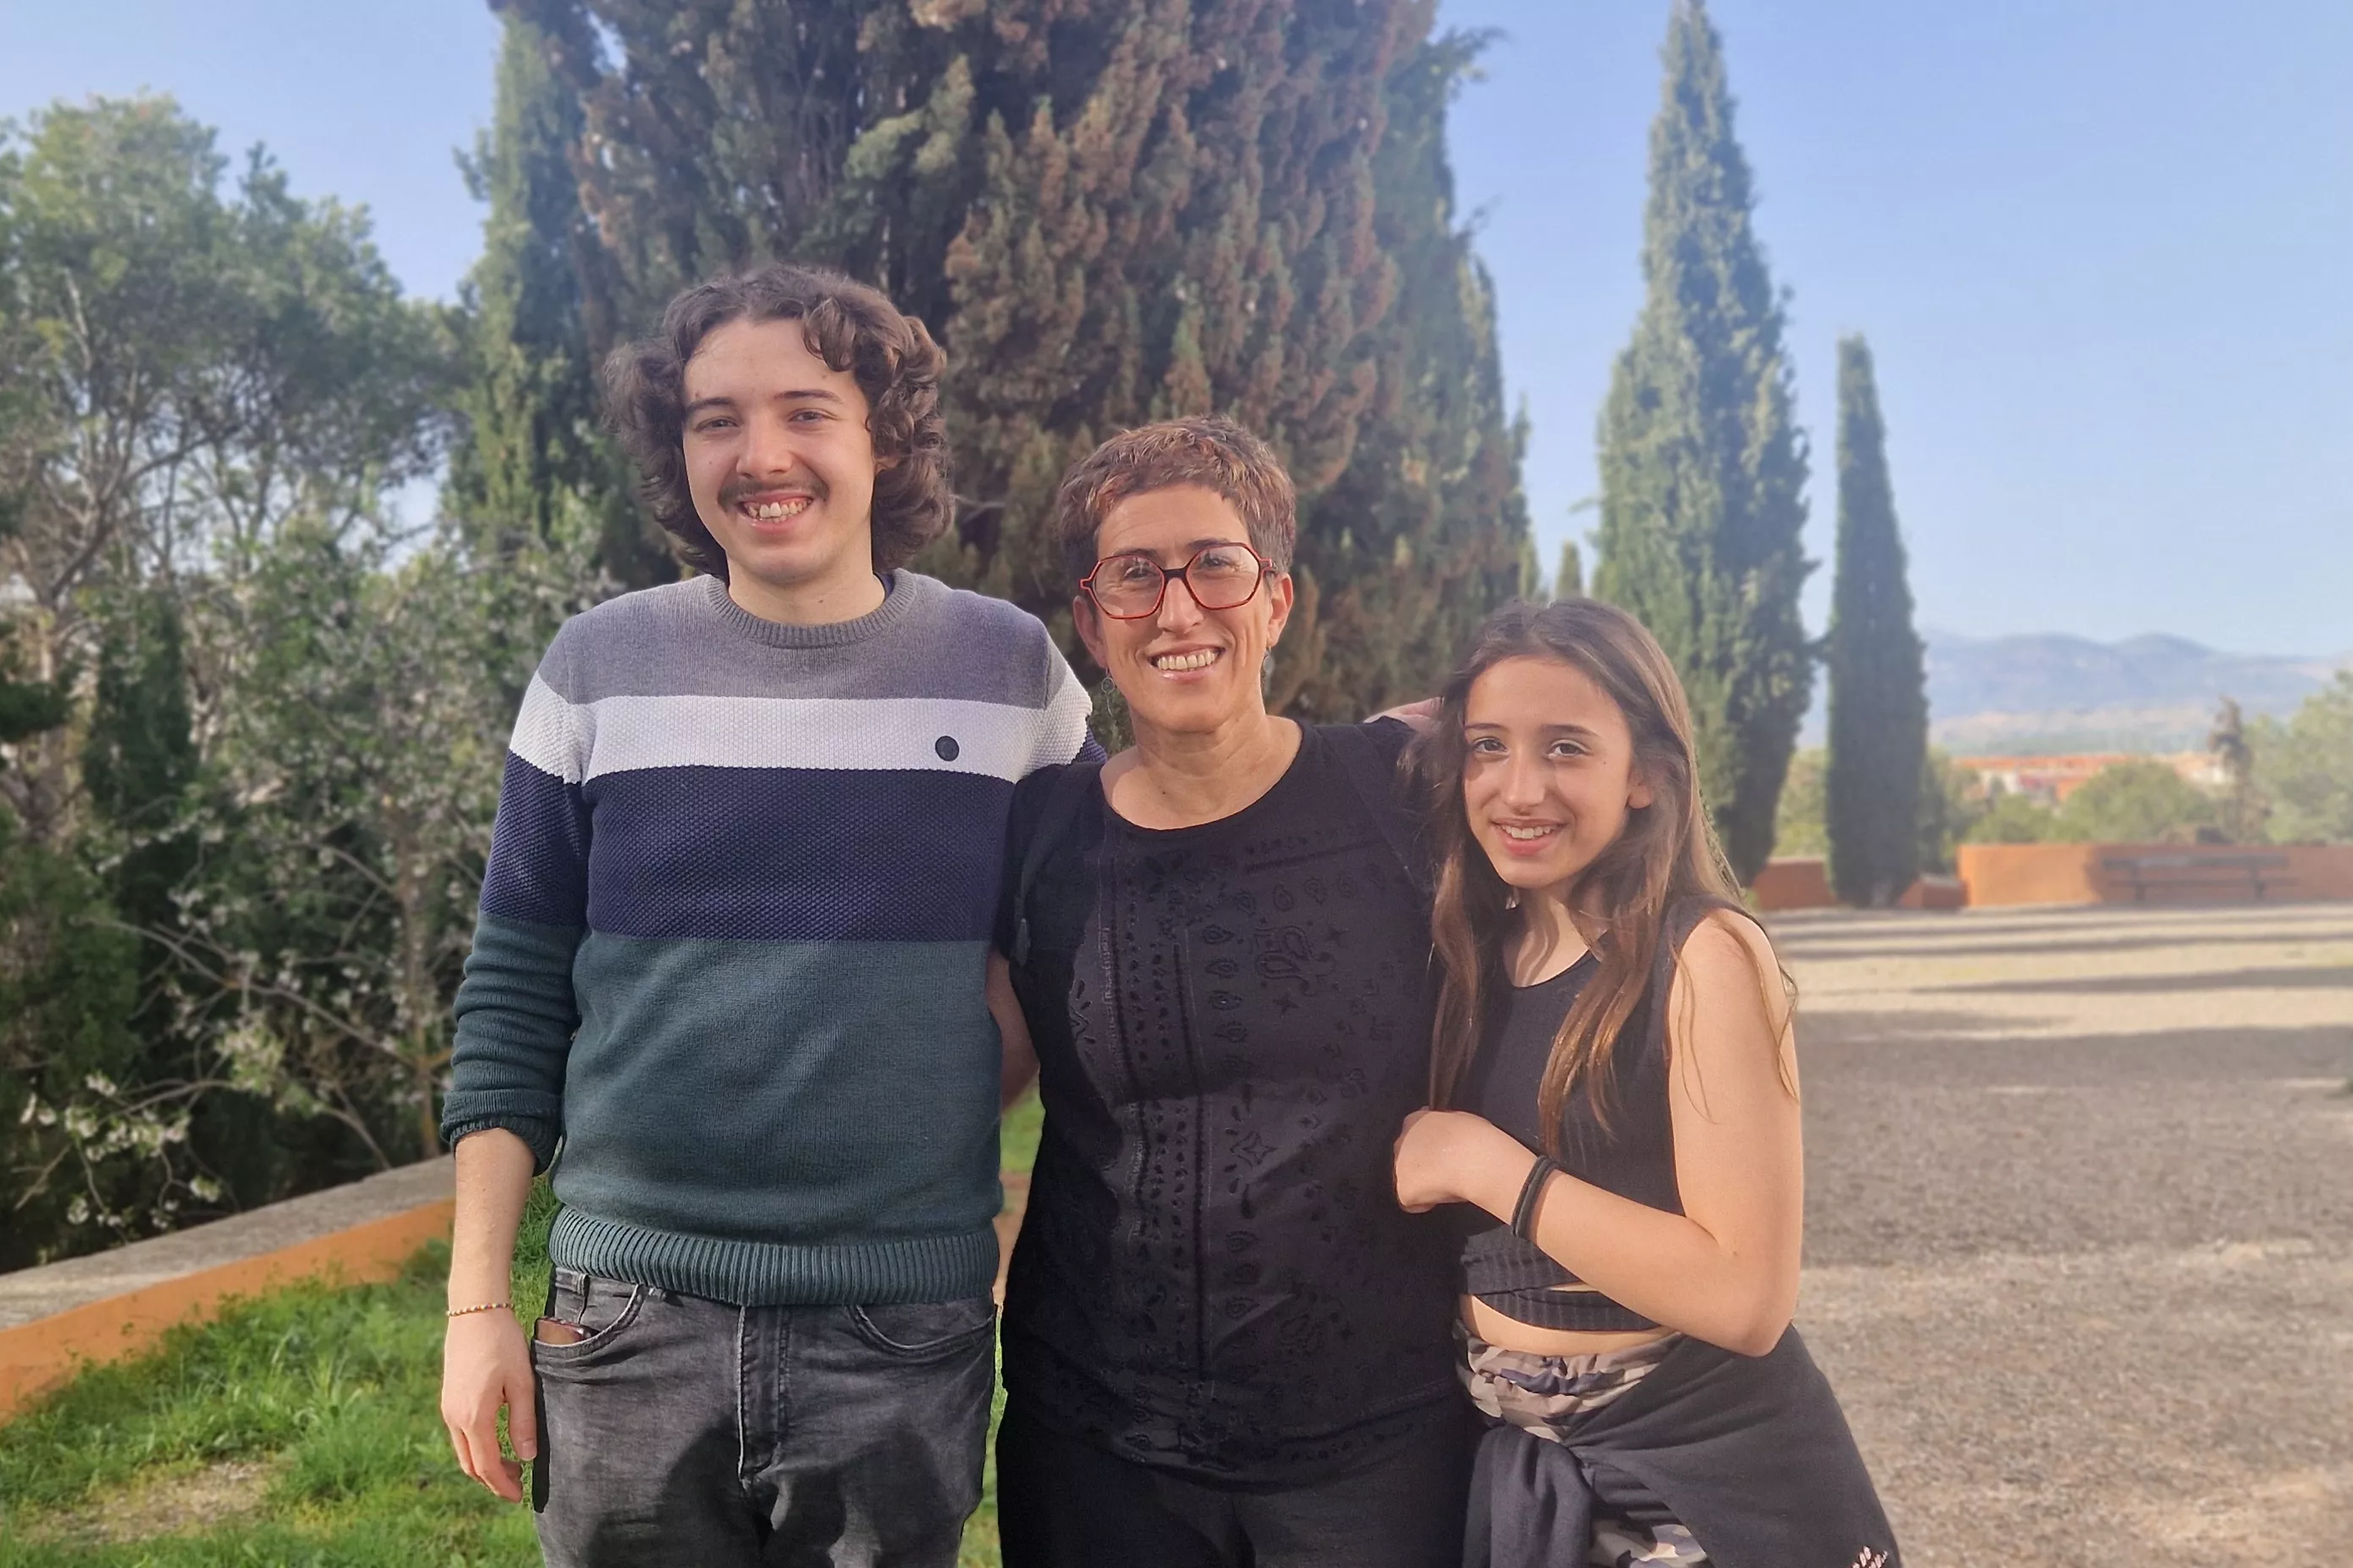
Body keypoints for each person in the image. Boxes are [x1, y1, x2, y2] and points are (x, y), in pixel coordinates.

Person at [433, 263, 1095, 1567]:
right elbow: (512, 1003)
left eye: (806, 409)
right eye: (714, 418)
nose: (760, 453)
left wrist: (939, 1064)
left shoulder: (1015, 675)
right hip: (622, 1325)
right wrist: (474, 1308)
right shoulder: (594, 670)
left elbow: (1073, 971)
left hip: (899, 1328)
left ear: (884, 437)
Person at [992, 416, 1474, 1568]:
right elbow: (967, 1061)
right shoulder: (1040, 834)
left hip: (1375, 1446)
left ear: (1276, 601)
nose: (1178, 607)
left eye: (1216, 565)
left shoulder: (1400, 798)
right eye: (1134, 575)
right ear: (1092, 620)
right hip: (1099, 1447)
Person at [1388, 598, 1898, 1567]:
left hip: (1704, 1485)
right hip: (1520, 1469)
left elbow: (1745, 1297)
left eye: (1567, 748)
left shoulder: (1703, 954)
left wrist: (1486, 1165)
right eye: (1487, 746)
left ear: (1647, 780)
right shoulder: (1468, 954)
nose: (1517, 787)